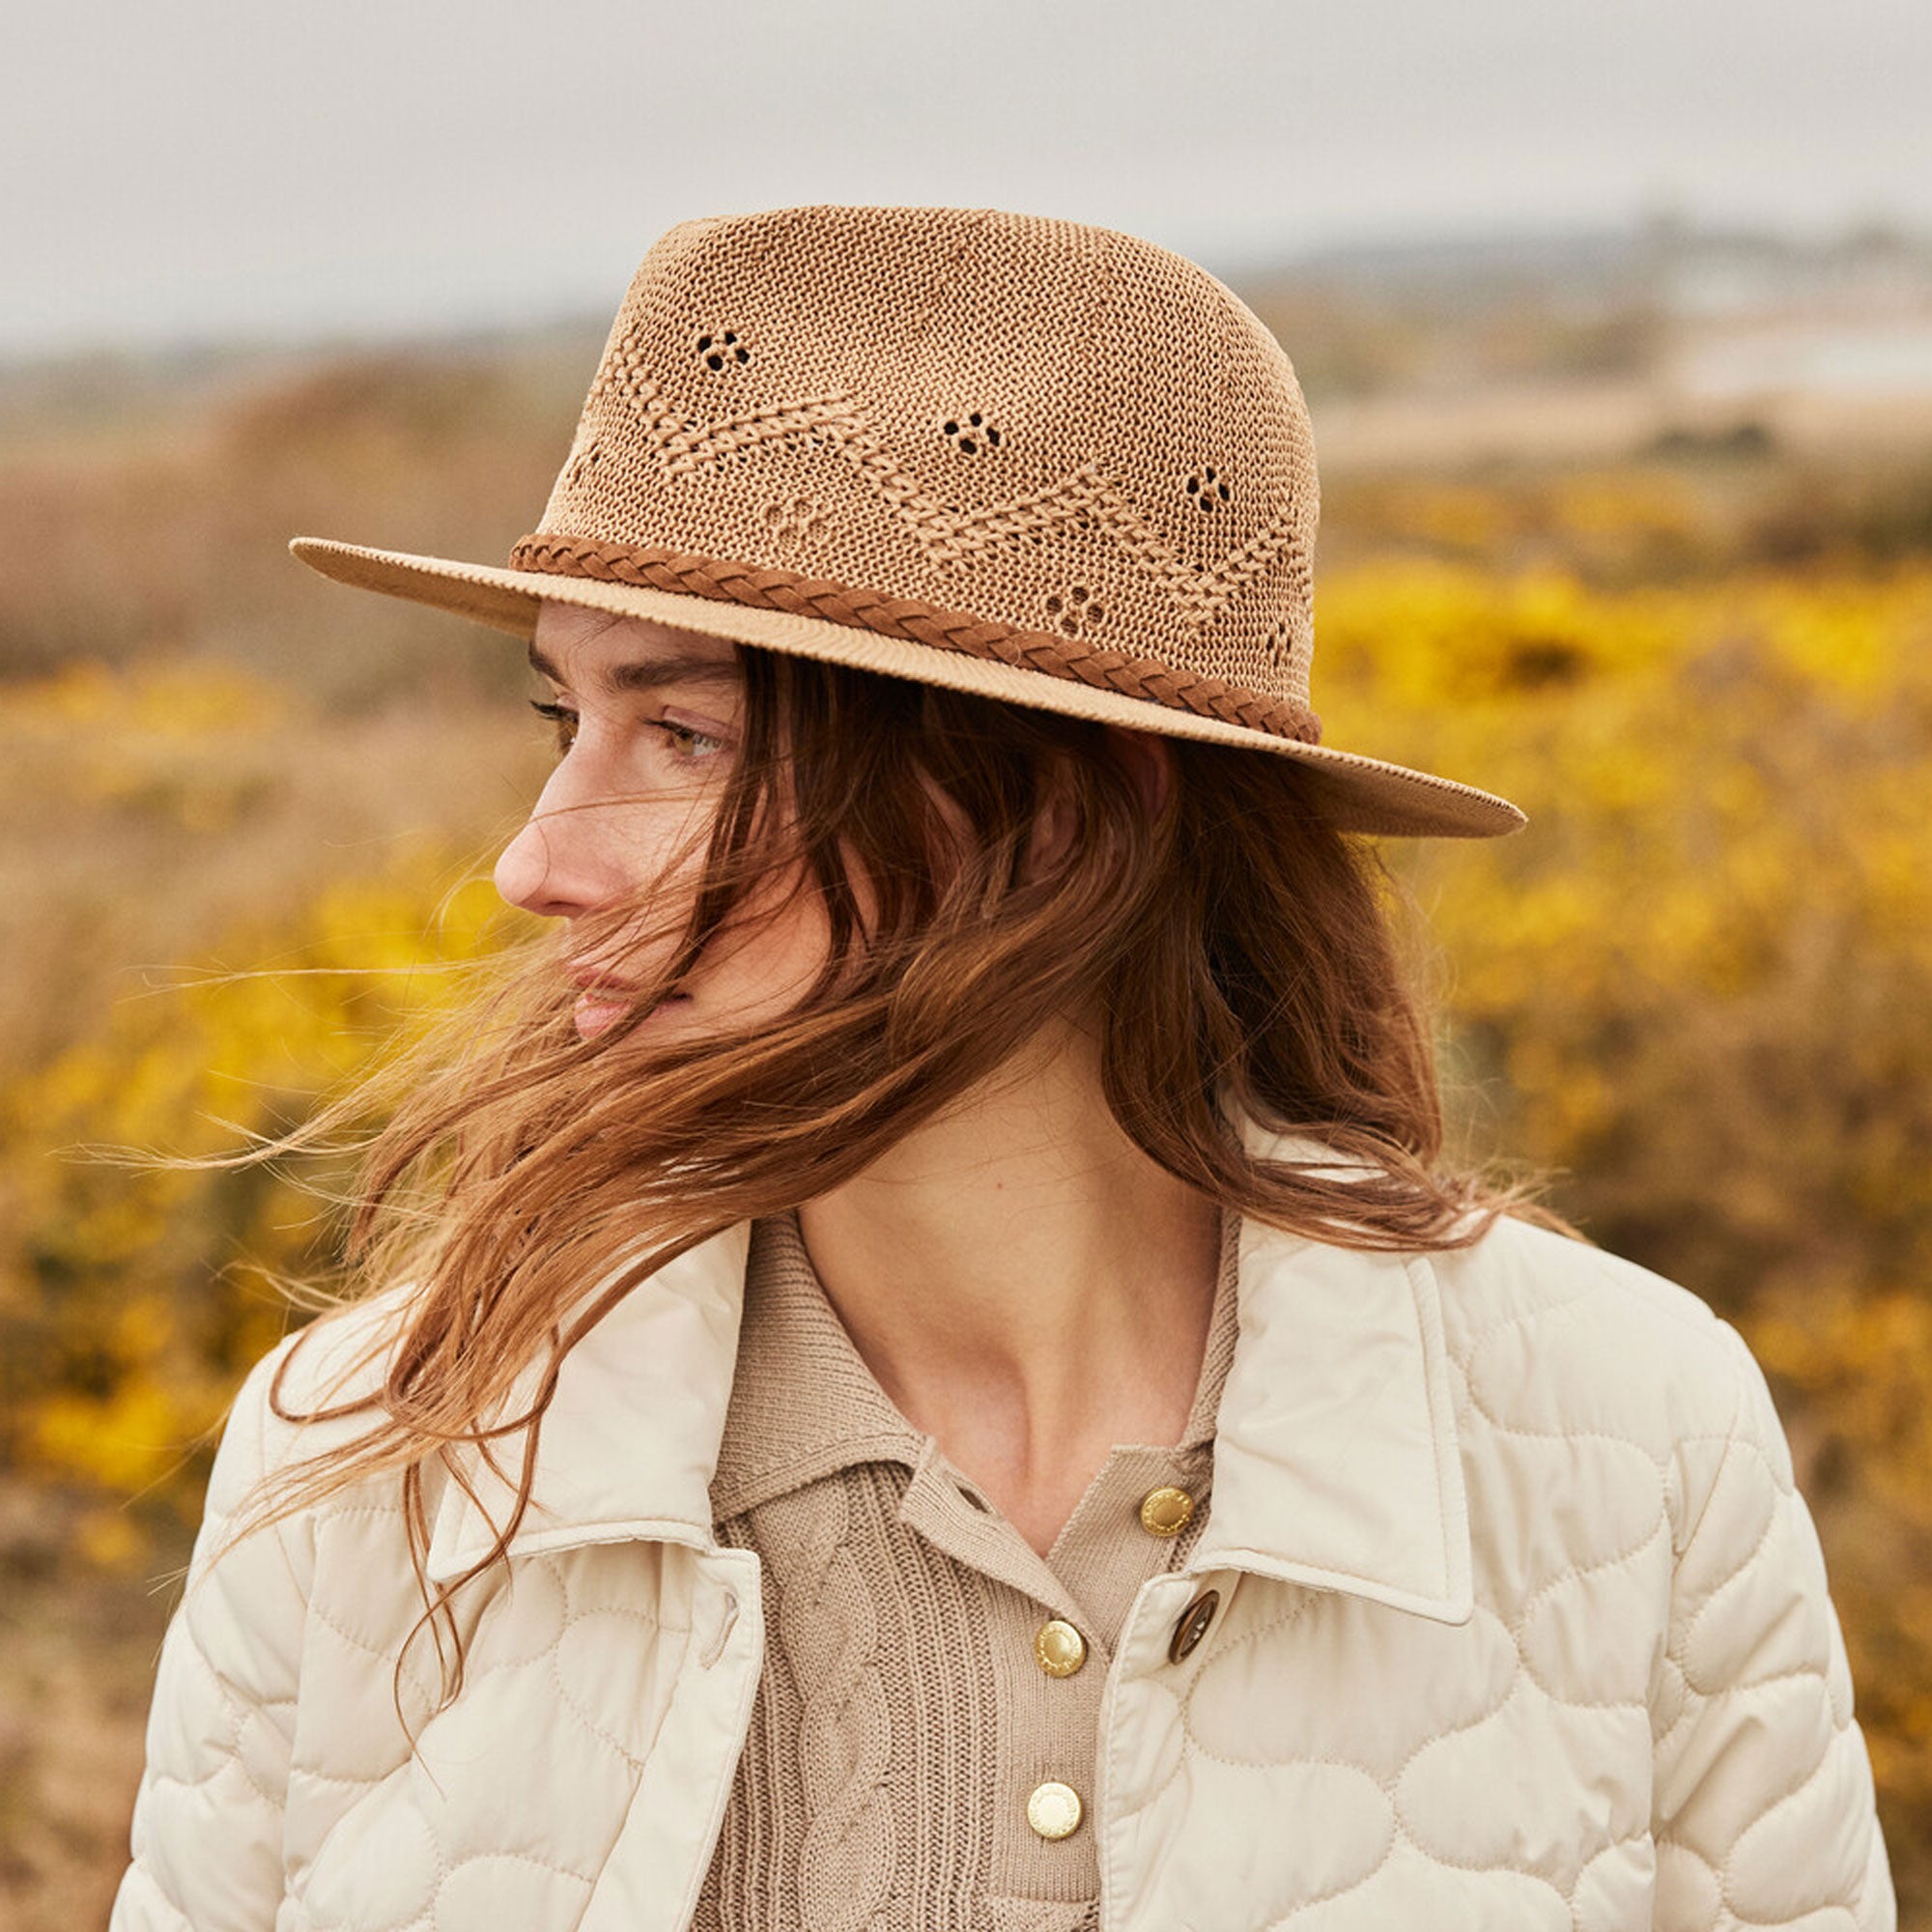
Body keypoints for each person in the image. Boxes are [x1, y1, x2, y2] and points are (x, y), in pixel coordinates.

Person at [111, 205, 1893, 1931]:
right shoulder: (369, 1459)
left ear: (1061, 813)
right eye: (560, 720)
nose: (535, 861)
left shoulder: (1629, 1443)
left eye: (681, 732)